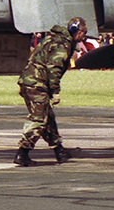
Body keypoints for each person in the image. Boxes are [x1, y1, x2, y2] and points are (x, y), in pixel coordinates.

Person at [15, 17, 86, 166]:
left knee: (48, 118)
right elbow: (54, 69)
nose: (83, 36)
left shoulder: (54, 38)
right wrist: (55, 91)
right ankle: (22, 153)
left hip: (30, 81)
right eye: (83, 32)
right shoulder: (63, 44)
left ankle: (60, 151)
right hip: (37, 83)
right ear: (78, 32)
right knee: (39, 119)